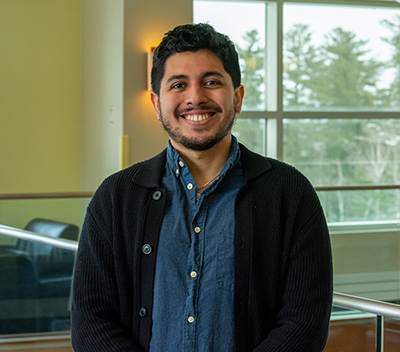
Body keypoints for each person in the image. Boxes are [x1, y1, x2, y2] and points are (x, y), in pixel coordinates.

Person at [71, 23, 333, 352]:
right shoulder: (115, 197)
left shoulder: (290, 193)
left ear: (237, 97)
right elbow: (91, 322)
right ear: (156, 102)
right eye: (179, 85)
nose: (195, 97)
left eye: (211, 82)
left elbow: (304, 323)